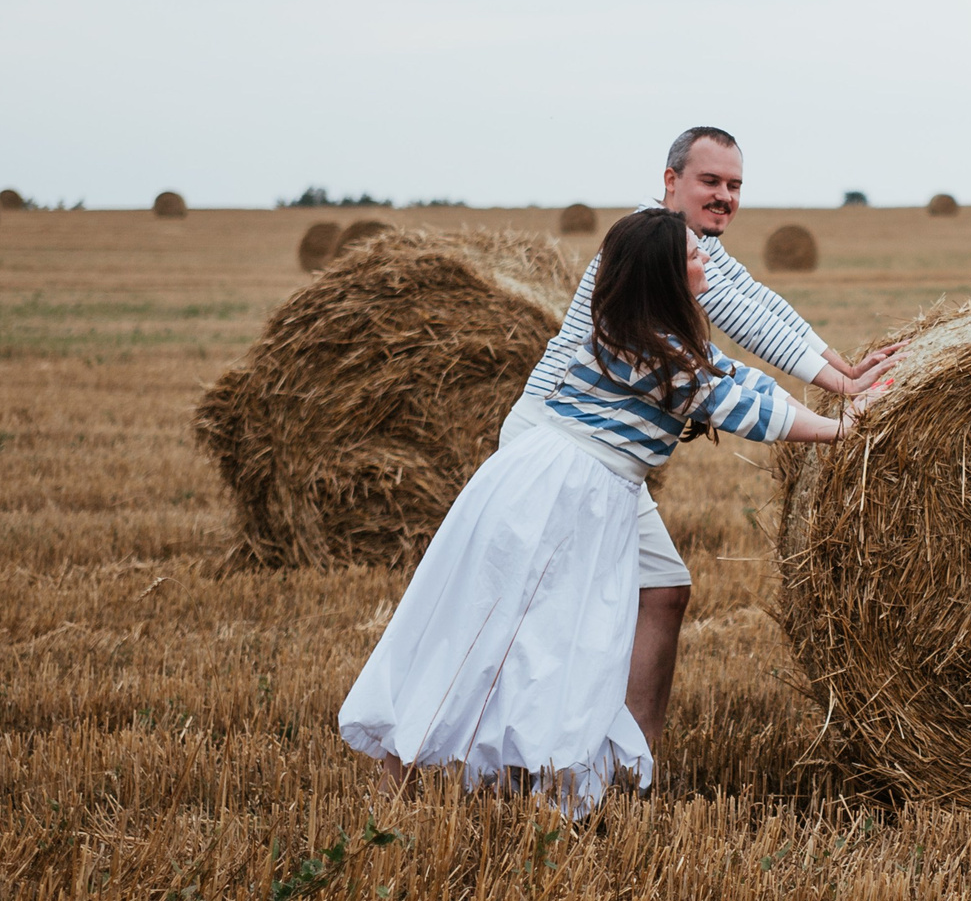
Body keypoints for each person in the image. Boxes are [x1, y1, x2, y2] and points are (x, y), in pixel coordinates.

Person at [336, 208, 880, 814]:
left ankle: (541, 775)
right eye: (693, 256)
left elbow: (740, 380)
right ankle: (399, 785)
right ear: (663, 272)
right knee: (488, 631)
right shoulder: (637, 342)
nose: (706, 262)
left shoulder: (665, 336)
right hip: (558, 491)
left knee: (561, 639)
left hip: (591, 490)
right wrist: (839, 432)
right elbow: (729, 405)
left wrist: (846, 390)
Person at [500, 126, 892, 765]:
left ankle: (631, 762)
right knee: (545, 618)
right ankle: (512, 757)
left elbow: (755, 309)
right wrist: (842, 412)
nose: (724, 197)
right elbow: (726, 373)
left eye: (734, 185)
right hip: (558, 450)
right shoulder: (646, 249)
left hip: (605, 462)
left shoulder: (687, 248)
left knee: (662, 589)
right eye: (710, 181)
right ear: (670, 182)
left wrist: (844, 376)